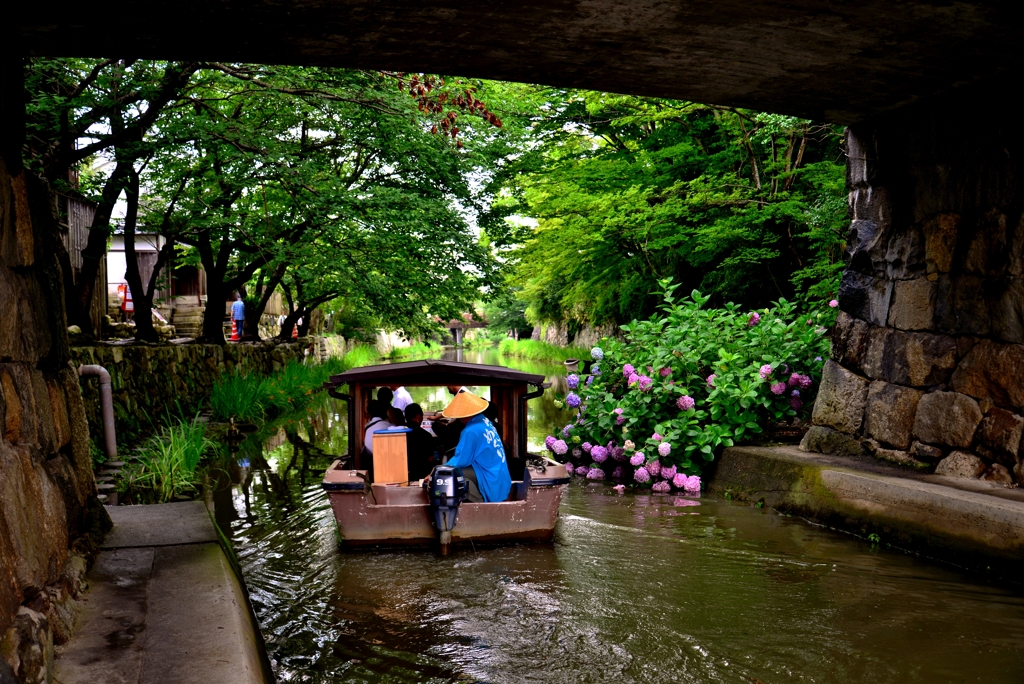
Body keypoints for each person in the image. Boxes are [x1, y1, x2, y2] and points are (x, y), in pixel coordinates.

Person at [440, 391, 511, 503]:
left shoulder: (471, 431)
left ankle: (480, 505)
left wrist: (438, 471)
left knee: (450, 474)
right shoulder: (485, 421)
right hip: (499, 474)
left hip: (489, 476)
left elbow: (460, 460)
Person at [404, 403, 436, 480]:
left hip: (404, 474)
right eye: (422, 415)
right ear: (418, 416)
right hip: (422, 475)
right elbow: (430, 458)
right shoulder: (426, 435)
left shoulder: (399, 433)